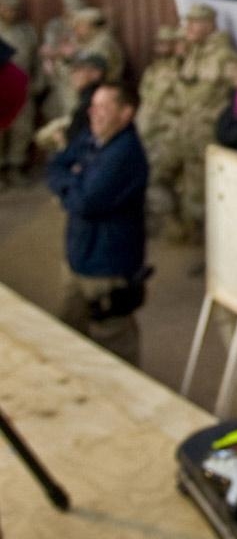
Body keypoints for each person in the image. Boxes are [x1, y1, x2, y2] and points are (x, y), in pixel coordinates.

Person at [46, 82, 150, 365]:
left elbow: (86, 203)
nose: (95, 113)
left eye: (105, 107)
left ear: (126, 113)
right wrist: (75, 180)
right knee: (65, 335)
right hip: (78, 258)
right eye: (93, 106)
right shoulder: (91, 138)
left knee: (114, 347)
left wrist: (71, 182)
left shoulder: (124, 154)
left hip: (107, 268)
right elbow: (55, 165)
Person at [147, 2, 236, 242]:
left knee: (200, 197)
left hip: (204, 137)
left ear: (209, 25)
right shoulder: (191, 53)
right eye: (188, 22)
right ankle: (176, 226)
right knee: (154, 174)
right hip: (181, 133)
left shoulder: (224, 57)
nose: (189, 27)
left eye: (195, 23)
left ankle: (207, 247)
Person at [32, 53, 107, 156]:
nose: (74, 75)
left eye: (80, 71)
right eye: (73, 70)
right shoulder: (89, 97)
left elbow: (75, 148)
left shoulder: (90, 102)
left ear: (96, 74)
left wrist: (60, 140)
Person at [0, 0, 38, 185]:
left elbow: (37, 59)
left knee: (22, 129)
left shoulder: (27, 31)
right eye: (7, 8)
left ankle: (16, 167)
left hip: (22, 89)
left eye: (15, 9)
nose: (11, 13)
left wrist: (39, 82)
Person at [69, 7, 124, 83]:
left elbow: (96, 70)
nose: (76, 30)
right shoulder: (87, 40)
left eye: (80, 26)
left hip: (101, 86)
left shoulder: (103, 41)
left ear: (91, 26)